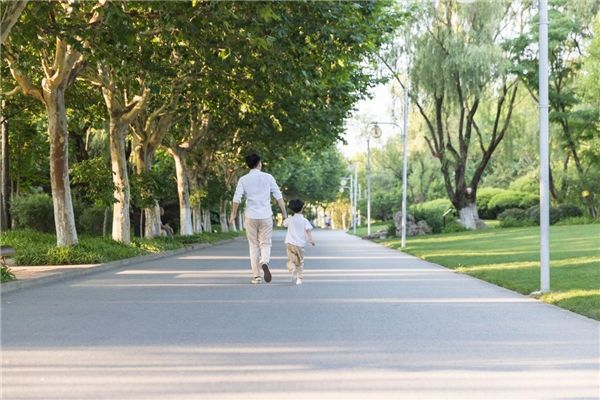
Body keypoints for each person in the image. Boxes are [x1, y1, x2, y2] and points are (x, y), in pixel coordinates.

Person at [229, 153, 287, 284]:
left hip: (250, 216)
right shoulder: (268, 177)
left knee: (253, 245)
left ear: (248, 165)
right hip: (266, 215)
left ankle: (256, 276)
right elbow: (278, 196)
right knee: (265, 243)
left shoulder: (243, 179)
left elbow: (236, 198)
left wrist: (233, 214)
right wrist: (284, 214)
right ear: (259, 163)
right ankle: (264, 261)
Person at [283, 199, 315, 285]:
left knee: (291, 259)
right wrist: (311, 240)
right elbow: (308, 231)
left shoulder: (290, 219)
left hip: (290, 243)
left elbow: (284, 224)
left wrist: (285, 216)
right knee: (300, 262)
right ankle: (299, 279)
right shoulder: (304, 220)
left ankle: (291, 267)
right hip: (300, 245)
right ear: (302, 209)